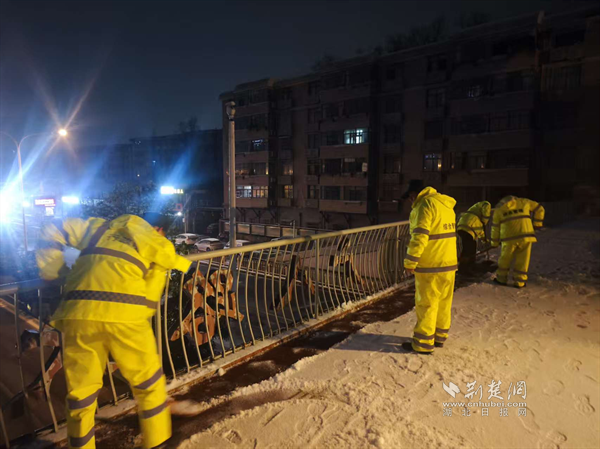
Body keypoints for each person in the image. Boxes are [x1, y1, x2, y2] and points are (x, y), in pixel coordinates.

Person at [36, 213, 191, 449]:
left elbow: (52, 228)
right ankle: (158, 443)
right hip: (126, 316)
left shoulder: (97, 228)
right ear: (158, 229)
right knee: (149, 386)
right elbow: (151, 296)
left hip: (79, 312)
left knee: (81, 394)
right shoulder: (156, 243)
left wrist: (53, 270)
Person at [401, 180, 458, 355]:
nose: (410, 201)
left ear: (414, 194)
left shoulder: (424, 205)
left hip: (431, 265)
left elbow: (420, 237)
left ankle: (423, 343)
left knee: (427, 304)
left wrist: (410, 263)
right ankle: (439, 337)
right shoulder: (446, 205)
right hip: (449, 263)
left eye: (410, 197)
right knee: (443, 302)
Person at [491, 196, 545, 288]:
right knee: (523, 260)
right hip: (525, 236)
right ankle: (520, 282)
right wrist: (537, 223)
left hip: (508, 239)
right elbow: (540, 208)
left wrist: (494, 243)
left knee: (505, 259)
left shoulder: (498, 210)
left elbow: (495, 228)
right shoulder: (524, 202)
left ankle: (501, 279)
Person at [457, 201, 491, 273]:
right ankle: (467, 268)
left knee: (467, 248)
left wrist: (484, 239)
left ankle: (463, 266)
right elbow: (486, 210)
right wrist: (485, 220)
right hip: (468, 228)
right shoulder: (486, 204)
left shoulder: (475, 211)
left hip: (461, 226)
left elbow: (479, 231)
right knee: (471, 249)